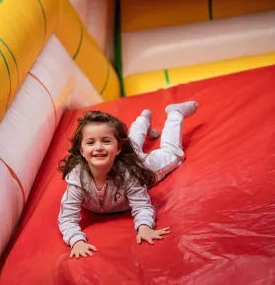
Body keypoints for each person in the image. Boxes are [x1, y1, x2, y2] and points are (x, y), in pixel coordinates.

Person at [57, 101, 198, 258]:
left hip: (136, 164)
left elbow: (142, 205)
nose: (98, 147)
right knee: (130, 143)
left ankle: (175, 113)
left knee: (173, 155)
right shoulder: (78, 179)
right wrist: (77, 241)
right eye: (91, 142)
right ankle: (143, 120)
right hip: (120, 155)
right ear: (81, 150)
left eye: (105, 141)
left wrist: (144, 227)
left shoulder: (129, 173)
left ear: (118, 149)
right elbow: (67, 218)